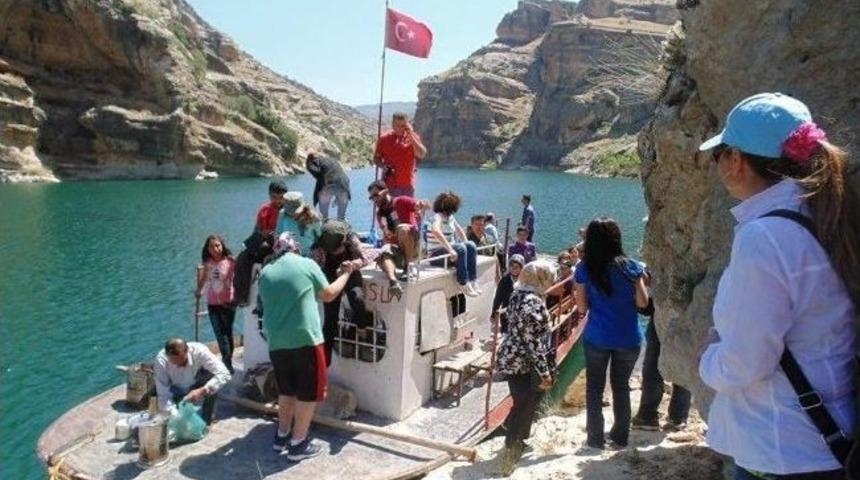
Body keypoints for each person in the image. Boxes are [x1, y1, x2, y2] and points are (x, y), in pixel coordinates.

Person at [697, 93, 858, 479]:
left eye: (719, 154)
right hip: (833, 439)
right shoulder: (827, 216)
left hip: (783, 449)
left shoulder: (764, 237)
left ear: (736, 160)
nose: (719, 165)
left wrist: (706, 359)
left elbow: (746, 364)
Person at [259, 231, 357, 461]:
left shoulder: (265, 272)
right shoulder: (306, 264)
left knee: (286, 391)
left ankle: (281, 436)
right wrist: (346, 273)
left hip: (276, 342)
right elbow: (329, 294)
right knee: (307, 394)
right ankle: (298, 444)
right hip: (305, 339)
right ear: (296, 247)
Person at [574, 217, 649, 449]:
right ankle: (619, 437)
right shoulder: (632, 267)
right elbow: (643, 303)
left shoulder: (584, 269)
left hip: (597, 336)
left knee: (594, 389)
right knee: (621, 386)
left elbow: (582, 307)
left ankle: (595, 440)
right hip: (628, 338)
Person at [495, 260, 557, 465]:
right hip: (522, 359)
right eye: (548, 277)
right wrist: (544, 371)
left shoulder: (518, 294)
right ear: (539, 278)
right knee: (524, 401)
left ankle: (514, 439)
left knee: (523, 399)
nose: (551, 281)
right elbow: (532, 341)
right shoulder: (532, 301)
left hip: (512, 355)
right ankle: (512, 444)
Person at [632, 269, 691, 432]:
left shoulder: (659, 267)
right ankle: (678, 417)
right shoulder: (691, 265)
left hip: (660, 324)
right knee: (682, 367)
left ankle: (647, 416)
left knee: (652, 369)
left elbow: (646, 308)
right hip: (686, 324)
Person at [311, 220, 374, 365]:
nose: (335, 251)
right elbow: (314, 266)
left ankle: (362, 331)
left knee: (357, 299)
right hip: (330, 274)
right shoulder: (318, 247)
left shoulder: (351, 239)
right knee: (330, 320)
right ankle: (324, 365)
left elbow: (365, 258)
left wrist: (353, 264)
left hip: (350, 270)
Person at [153, 337, 231, 424]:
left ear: (188, 351)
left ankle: (207, 416)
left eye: (183, 362)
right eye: (174, 363)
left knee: (212, 377)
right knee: (177, 417)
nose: (179, 366)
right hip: (176, 389)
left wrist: (203, 390)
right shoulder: (161, 361)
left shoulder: (200, 351)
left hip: (198, 383)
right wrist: (176, 415)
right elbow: (163, 395)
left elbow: (225, 374)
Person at [368, 179, 428, 282]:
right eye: (371, 197)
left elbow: (425, 205)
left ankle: (409, 269)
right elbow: (387, 236)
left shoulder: (401, 201)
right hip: (399, 252)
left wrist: (422, 206)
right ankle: (393, 280)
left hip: (415, 247)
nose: (374, 199)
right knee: (381, 251)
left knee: (402, 228)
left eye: (376, 195)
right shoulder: (380, 214)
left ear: (385, 192)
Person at [195, 235, 237, 373]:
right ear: (208, 249)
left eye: (218, 245)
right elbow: (204, 278)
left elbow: (239, 278)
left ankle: (228, 360)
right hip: (212, 303)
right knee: (220, 334)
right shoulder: (208, 262)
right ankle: (227, 364)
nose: (216, 249)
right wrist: (199, 290)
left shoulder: (230, 262)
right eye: (212, 246)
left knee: (227, 333)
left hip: (228, 303)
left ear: (222, 245)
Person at [427, 191, 481, 297]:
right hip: (436, 255)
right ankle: (463, 282)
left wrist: (468, 244)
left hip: (448, 253)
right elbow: (436, 231)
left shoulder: (451, 218)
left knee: (470, 245)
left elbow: (459, 230)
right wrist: (451, 250)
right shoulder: (437, 217)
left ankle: (472, 279)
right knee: (460, 248)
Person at [374, 112, 427, 197]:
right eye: (396, 125)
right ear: (392, 124)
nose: (399, 128)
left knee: (407, 210)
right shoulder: (384, 139)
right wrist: (384, 166)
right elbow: (376, 159)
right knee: (390, 210)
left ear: (407, 125)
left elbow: (422, 154)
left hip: (407, 186)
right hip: (388, 185)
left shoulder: (413, 138)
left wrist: (410, 135)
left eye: (402, 126)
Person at [306, 153, 351, 221]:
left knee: (324, 218)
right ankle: (342, 227)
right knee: (341, 218)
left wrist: (308, 164)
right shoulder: (332, 160)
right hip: (344, 186)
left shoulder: (312, 163)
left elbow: (318, 175)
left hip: (328, 186)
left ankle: (325, 224)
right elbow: (338, 175)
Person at [491, 254, 525, 333]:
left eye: (517, 267)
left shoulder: (525, 281)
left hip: (520, 314)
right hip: (506, 313)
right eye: (512, 266)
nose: (514, 269)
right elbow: (498, 298)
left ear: (521, 268)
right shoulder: (505, 280)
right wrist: (493, 313)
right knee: (506, 333)